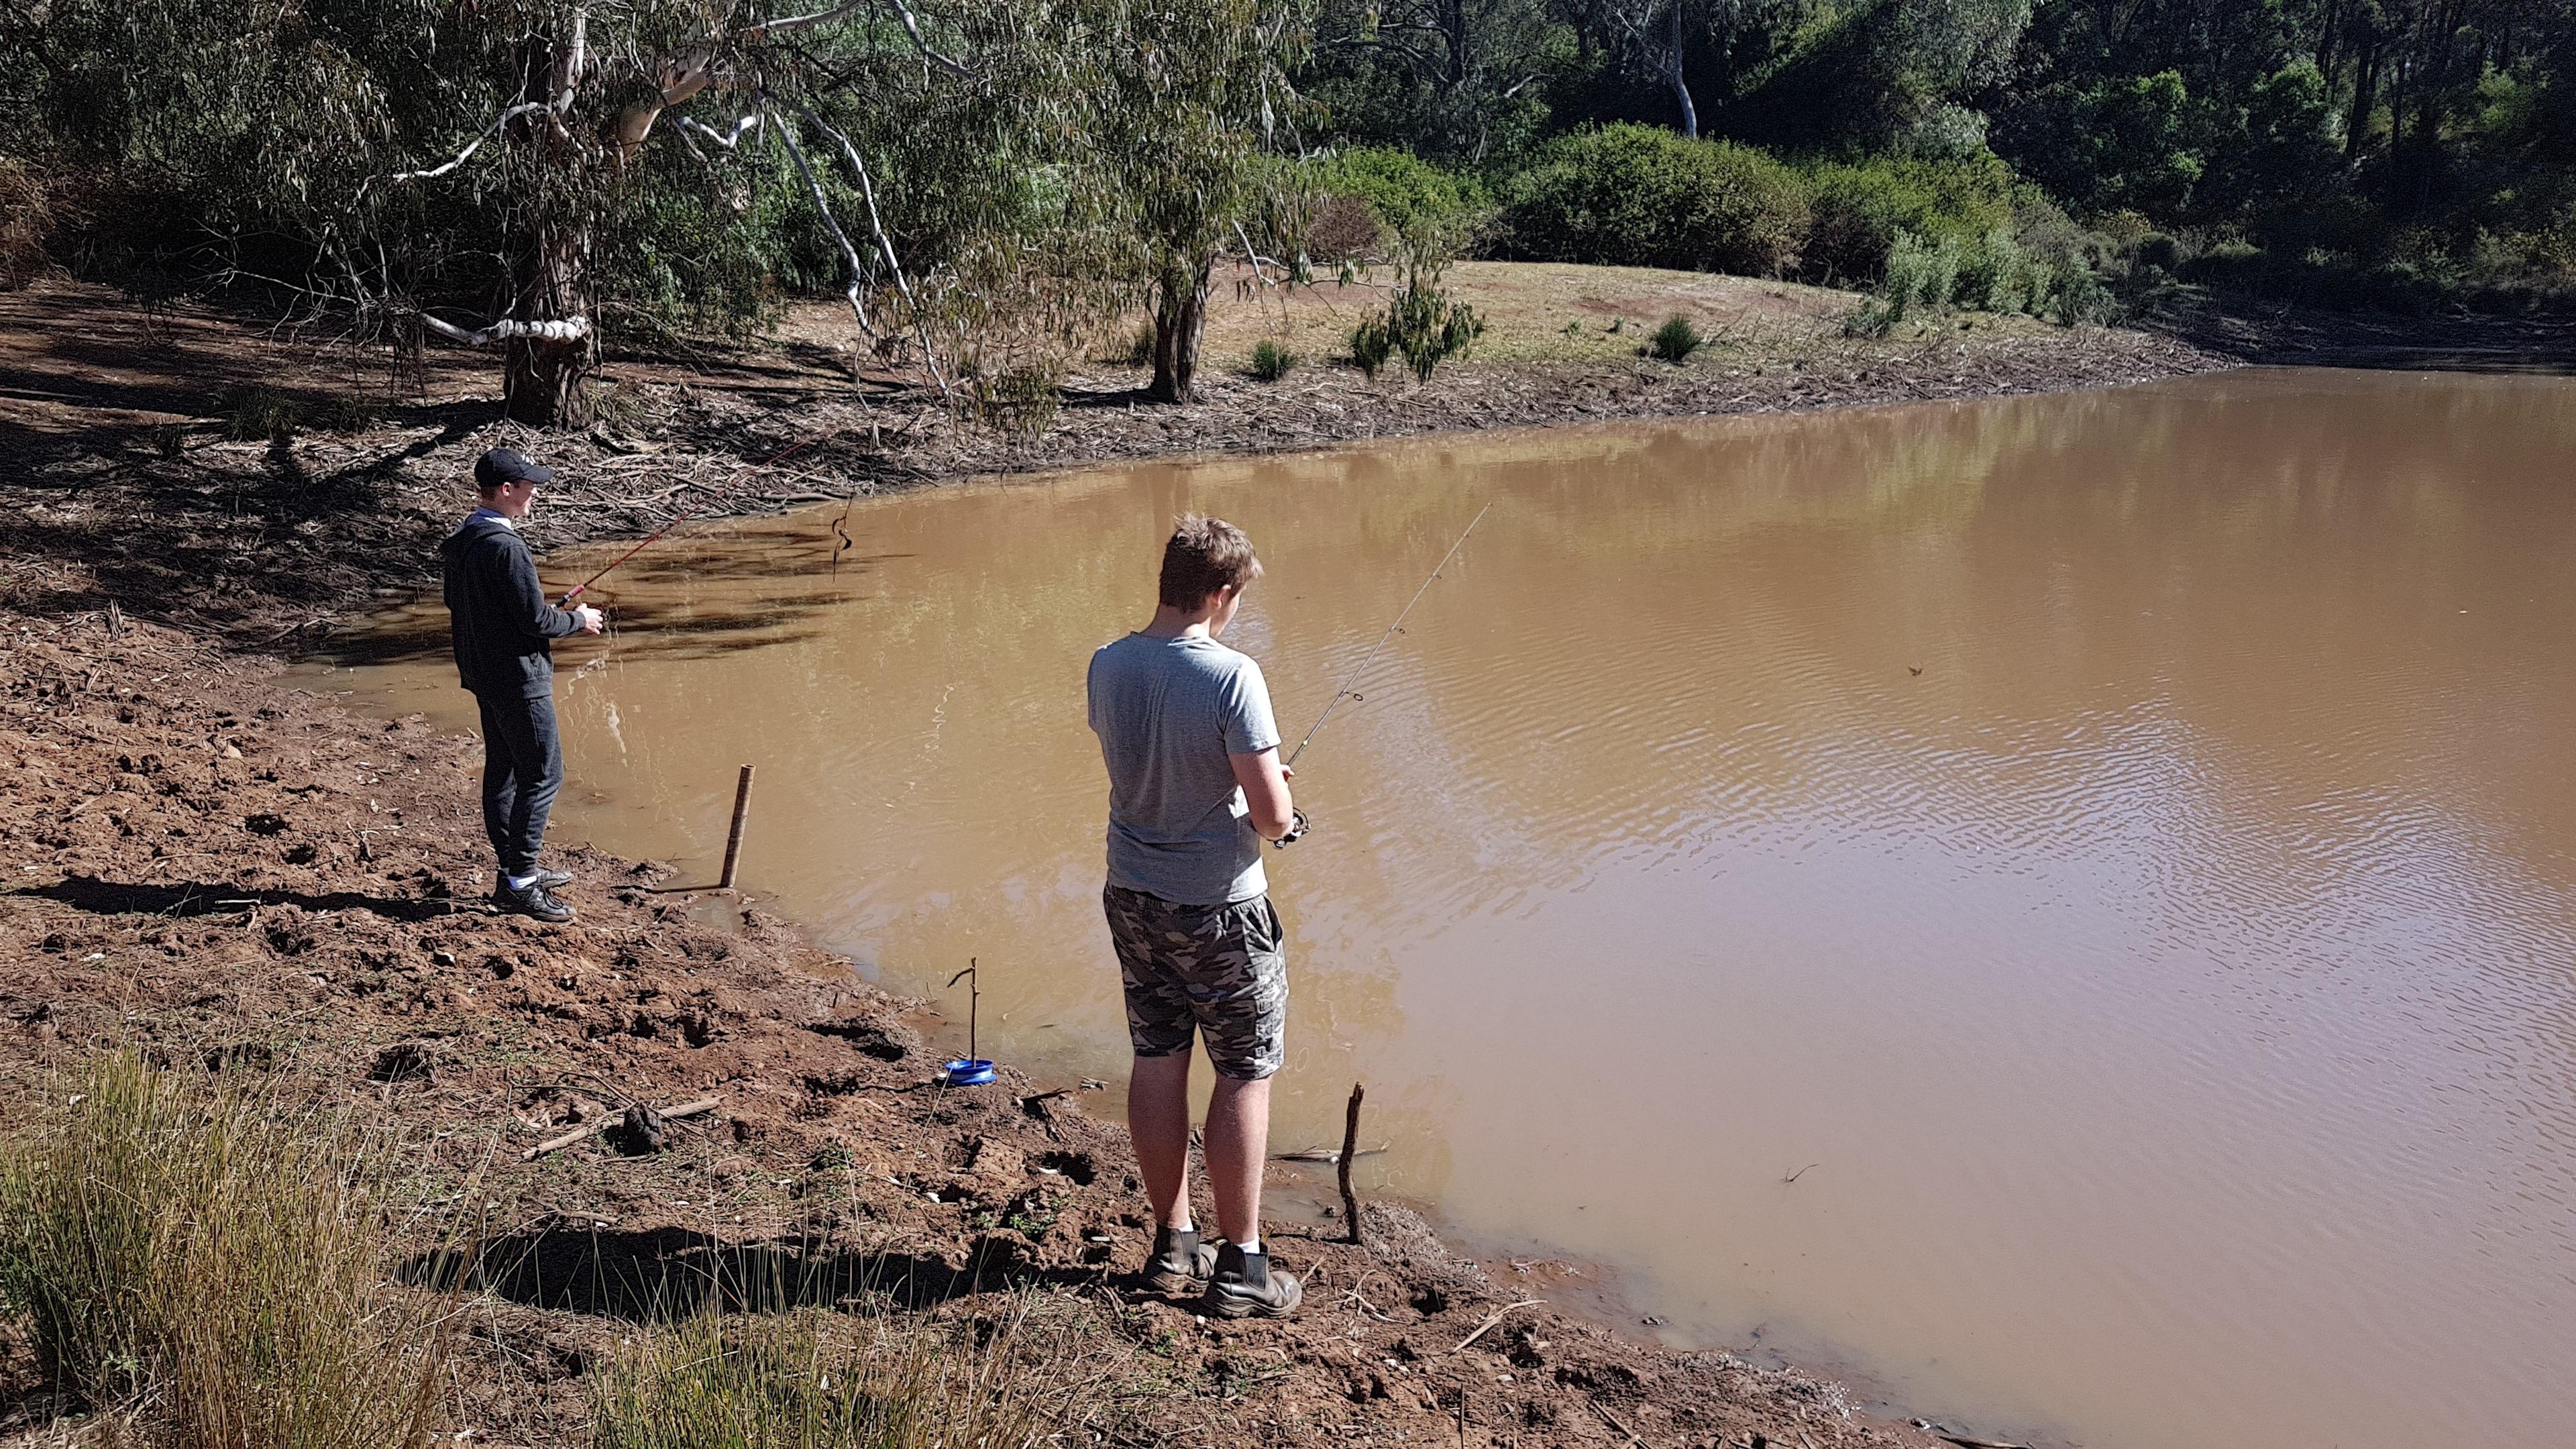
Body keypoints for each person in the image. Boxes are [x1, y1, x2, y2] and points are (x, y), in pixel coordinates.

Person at [1087, 515, 1303, 1320]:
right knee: (1244, 1071)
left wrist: (1241, 779)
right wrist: (1275, 798)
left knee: (1158, 1053)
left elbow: (1154, 760)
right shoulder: (1233, 675)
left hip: (1133, 896)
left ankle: (1174, 1242)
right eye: (1238, 597)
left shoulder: (1108, 663)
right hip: (1218, 910)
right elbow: (1274, 818)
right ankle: (1243, 1264)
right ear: (1220, 593)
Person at [441, 447, 602, 923]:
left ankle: (515, 868)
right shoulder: (506, 547)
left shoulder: (463, 541)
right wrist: (577, 619)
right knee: (543, 773)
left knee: (505, 770)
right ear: (507, 491)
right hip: (517, 679)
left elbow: (468, 607)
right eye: (528, 485)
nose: (535, 493)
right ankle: (520, 884)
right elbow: (535, 621)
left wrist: (544, 616)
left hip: (483, 675)